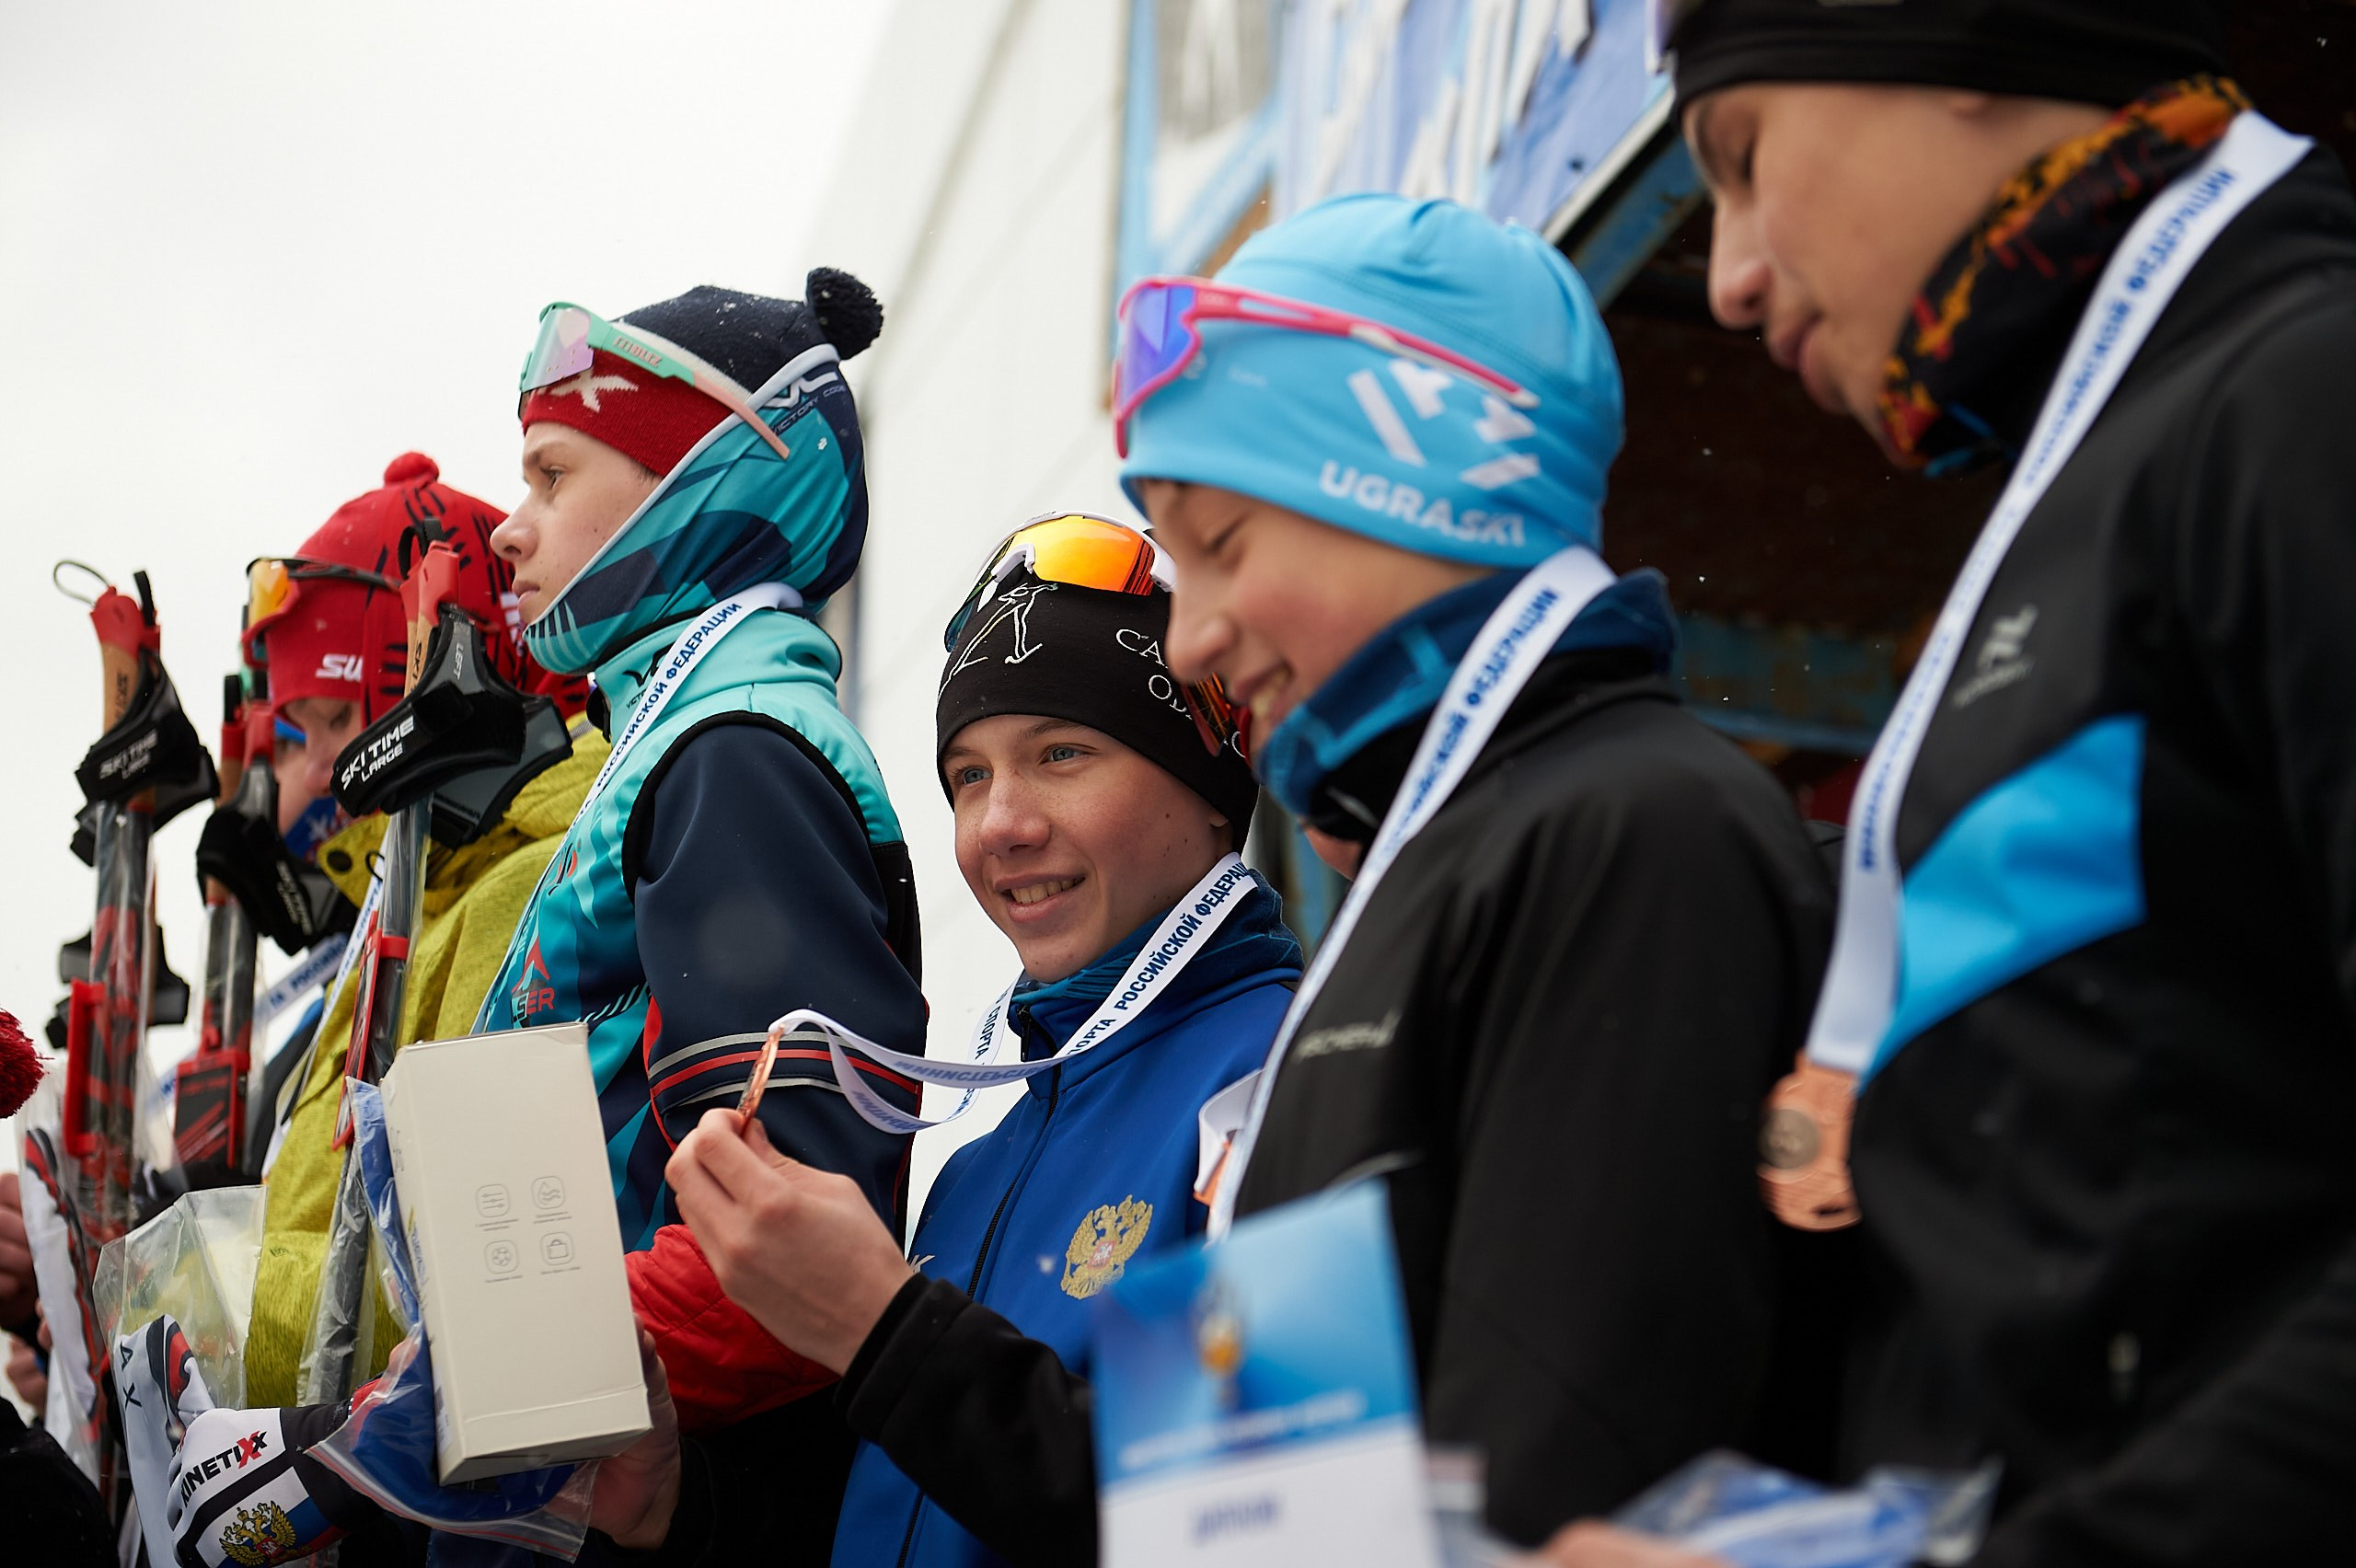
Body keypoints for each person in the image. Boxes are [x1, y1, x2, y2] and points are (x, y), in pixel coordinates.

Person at [1543, 3, 2356, 1563]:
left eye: (1741, 156)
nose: (1725, 278)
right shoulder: (2116, 459)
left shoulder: (2298, 394)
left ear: (1959, 44)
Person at [1109, 191, 1840, 1548]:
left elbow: (1569, 1468)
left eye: (1219, 546)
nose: (1193, 640)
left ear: (1413, 480)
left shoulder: (1630, 832)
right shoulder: (1438, 872)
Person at [588, 515, 1298, 1568]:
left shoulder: (1280, 1077)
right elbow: (910, 1521)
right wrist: (678, 1507)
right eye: (968, 776)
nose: (998, 825)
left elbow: (1242, 1525)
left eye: (1062, 754)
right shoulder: (980, 1156)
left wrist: (886, 1329)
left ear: (1209, 785)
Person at [479, 272, 928, 1470]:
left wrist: (434, 1408)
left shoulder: (734, 753)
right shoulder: (673, 740)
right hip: (616, 1479)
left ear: (693, 480)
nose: (506, 528)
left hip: (693, 1493)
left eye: (552, 475)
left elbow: (794, 1233)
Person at [243, 452, 606, 1408]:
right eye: (296, 736)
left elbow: (454, 1301)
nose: (315, 775)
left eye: (329, 722)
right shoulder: (407, 898)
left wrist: (210, 1306)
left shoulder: (527, 888)